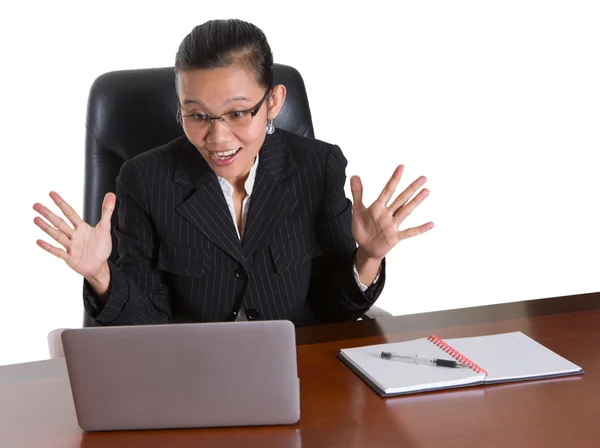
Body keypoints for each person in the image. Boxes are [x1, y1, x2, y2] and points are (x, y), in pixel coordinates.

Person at [32, 19, 433, 327]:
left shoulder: (318, 167)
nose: (217, 137)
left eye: (239, 112)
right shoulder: (144, 181)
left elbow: (332, 312)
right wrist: (101, 274)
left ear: (273, 101)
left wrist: (368, 257)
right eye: (197, 115)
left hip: (300, 375)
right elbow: (147, 326)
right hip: (189, 381)